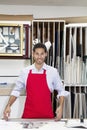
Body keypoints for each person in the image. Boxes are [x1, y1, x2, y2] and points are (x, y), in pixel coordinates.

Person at [3, 43, 69, 121]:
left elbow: (61, 91)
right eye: (37, 54)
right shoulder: (25, 72)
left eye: (42, 54)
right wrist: (8, 105)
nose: (39, 57)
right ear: (33, 54)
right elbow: (16, 91)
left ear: (46, 54)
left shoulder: (53, 72)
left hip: (47, 116)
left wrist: (61, 106)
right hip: (28, 116)